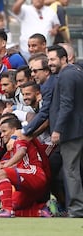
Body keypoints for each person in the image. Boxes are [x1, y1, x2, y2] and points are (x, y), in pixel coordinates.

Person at [0, 117, 50, 217]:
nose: (2, 135)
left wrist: (4, 168)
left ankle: (6, 210)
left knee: (2, 172)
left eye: (4, 131)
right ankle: (40, 211)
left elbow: (21, 152)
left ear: (14, 130)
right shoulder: (10, 148)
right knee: (13, 203)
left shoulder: (20, 138)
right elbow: (0, 169)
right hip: (28, 183)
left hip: (35, 174)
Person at [48, 45, 83, 218]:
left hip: (71, 132)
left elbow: (67, 105)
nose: (50, 63)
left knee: (71, 170)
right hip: (77, 129)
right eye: (48, 60)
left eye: (53, 59)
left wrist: (58, 130)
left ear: (64, 59)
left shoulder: (67, 75)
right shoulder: (76, 71)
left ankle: (77, 210)